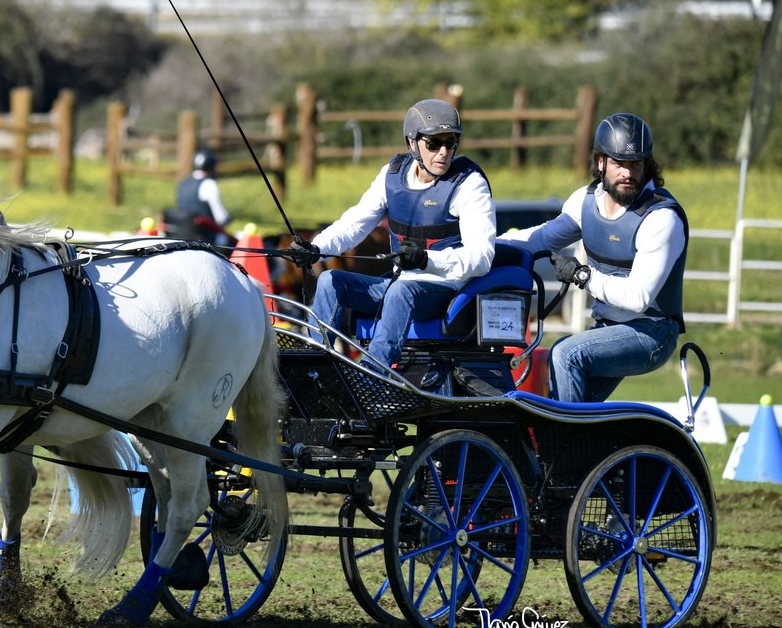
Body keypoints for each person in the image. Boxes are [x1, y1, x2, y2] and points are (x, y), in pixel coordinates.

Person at [290, 98, 496, 368]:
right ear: (412, 142)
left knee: (402, 291)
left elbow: (481, 257)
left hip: (446, 290)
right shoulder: (392, 174)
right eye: (434, 143)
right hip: (400, 284)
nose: (444, 152)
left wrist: (426, 260)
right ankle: (316, 370)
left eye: (451, 142)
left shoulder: (469, 184)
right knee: (330, 280)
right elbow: (356, 222)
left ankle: (373, 376)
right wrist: (316, 249)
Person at [497, 112, 688, 403]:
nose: (627, 172)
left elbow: (639, 298)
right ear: (600, 162)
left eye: (635, 164)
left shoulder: (661, 218)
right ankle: (576, 444)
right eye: (618, 163)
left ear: (646, 165)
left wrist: (582, 275)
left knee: (566, 353)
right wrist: (484, 245)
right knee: (583, 412)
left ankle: (564, 447)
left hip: (652, 333)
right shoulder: (585, 202)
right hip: (607, 329)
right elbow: (540, 239)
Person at [166, 149, 232, 245]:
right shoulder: (209, 184)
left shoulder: (182, 183)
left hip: (181, 236)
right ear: (211, 166)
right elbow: (221, 218)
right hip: (205, 238)